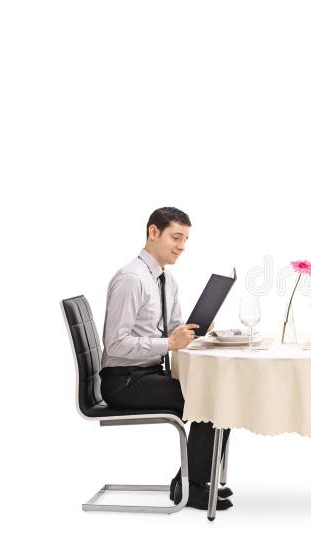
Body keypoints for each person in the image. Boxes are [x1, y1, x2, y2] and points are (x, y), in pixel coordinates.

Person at [99, 206, 233, 511]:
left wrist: (194, 327)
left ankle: (188, 483)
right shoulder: (131, 279)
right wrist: (170, 343)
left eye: (185, 239)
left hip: (147, 374)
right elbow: (115, 344)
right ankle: (192, 487)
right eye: (176, 237)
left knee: (220, 394)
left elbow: (171, 330)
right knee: (212, 399)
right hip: (124, 382)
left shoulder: (165, 280)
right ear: (153, 232)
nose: (182, 247)